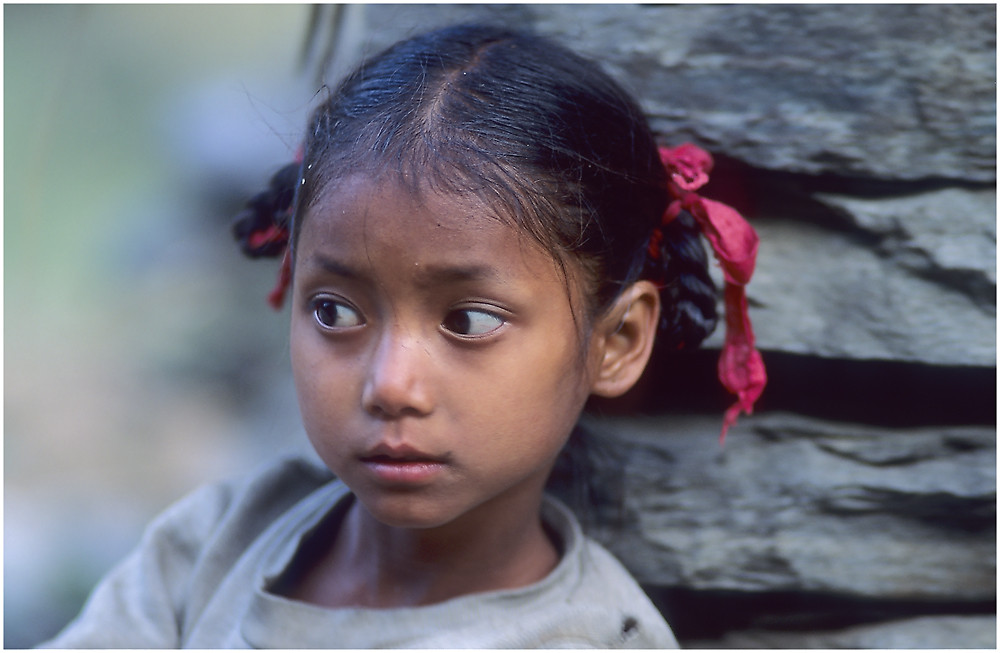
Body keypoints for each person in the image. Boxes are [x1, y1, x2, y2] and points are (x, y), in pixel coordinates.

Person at [41, 24, 764, 648]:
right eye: (335, 311)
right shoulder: (214, 544)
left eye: (470, 320)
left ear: (617, 339)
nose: (390, 383)